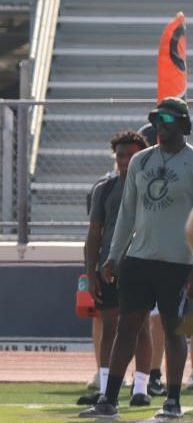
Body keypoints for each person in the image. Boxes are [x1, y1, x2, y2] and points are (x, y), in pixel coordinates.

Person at [93, 96, 193, 420]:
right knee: (127, 327)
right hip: (139, 259)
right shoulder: (140, 162)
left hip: (180, 262)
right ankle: (109, 398)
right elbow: (127, 213)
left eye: (166, 120)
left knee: (174, 330)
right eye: (156, 120)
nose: (159, 126)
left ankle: (172, 399)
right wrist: (114, 255)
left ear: (182, 123)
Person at [79, 130, 149, 406]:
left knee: (140, 327)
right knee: (109, 327)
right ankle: (107, 388)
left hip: (142, 263)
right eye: (120, 155)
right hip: (110, 264)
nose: (124, 160)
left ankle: (141, 387)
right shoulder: (104, 189)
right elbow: (94, 233)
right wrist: (90, 270)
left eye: (130, 155)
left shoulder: (151, 187)